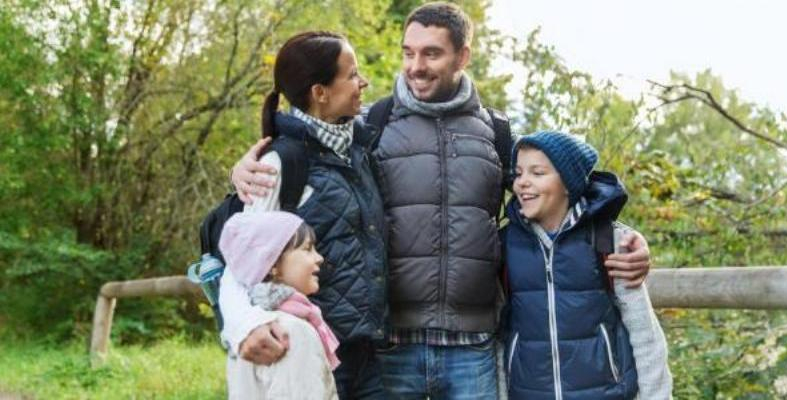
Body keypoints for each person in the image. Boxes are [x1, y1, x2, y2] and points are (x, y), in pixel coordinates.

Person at [230, 3, 653, 399]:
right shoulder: (367, 127)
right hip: (389, 348)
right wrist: (243, 174)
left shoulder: (497, 133)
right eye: (408, 53)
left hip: (474, 349)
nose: (416, 66)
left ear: (462, 56)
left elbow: (554, 194)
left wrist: (622, 236)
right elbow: (292, 165)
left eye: (431, 54)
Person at [217, 31, 387, 399]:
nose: (363, 83)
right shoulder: (281, 163)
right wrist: (243, 325)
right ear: (320, 92)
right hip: (316, 351)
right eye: (352, 75)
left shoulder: (359, 147)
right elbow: (241, 267)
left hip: (370, 356)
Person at [504, 131, 672, 399]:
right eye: (519, 173)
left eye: (537, 173)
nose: (522, 182)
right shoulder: (507, 245)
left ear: (568, 184)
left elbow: (644, 334)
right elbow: (499, 338)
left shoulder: (608, 241)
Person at [220, 211, 338, 399]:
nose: (319, 258)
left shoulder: (246, 331)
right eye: (307, 249)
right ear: (272, 263)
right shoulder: (290, 331)